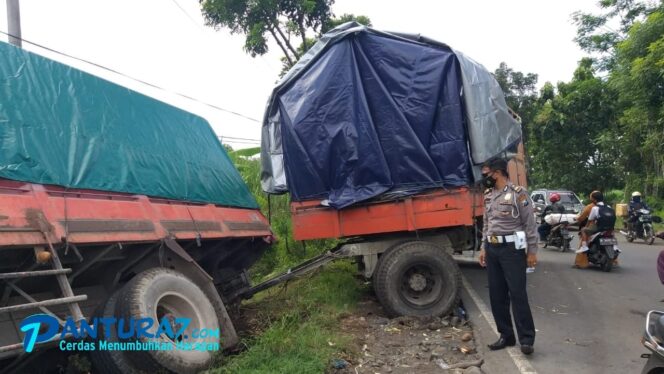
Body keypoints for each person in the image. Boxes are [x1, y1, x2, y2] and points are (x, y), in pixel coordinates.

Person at [478, 158, 538, 355]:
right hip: (493, 248)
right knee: (497, 295)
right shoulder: (487, 195)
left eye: (486, 174)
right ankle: (506, 335)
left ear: (497, 173)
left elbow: (530, 224)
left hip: (512, 249)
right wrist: (483, 248)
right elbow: (487, 224)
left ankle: (527, 339)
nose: (484, 178)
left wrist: (532, 252)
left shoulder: (518, 194)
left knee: (517, 293)